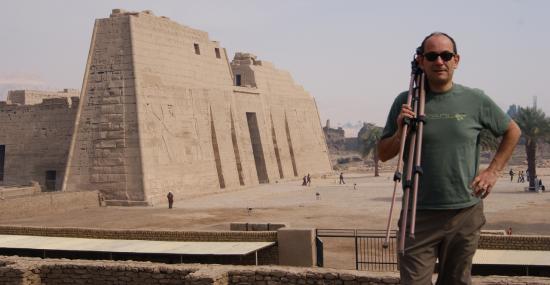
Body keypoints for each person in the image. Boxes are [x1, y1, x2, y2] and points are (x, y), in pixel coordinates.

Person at [378, 32, 521, 285]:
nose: (439, 61)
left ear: (456, 60)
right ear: (421, 61)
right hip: (417, 215)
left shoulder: (475, 99)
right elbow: (383, 153)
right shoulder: (406, 101)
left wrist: (493, 171)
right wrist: (401, 130)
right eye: (432, 56)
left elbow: (512, 130)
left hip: (464, 213)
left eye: (446, 55)